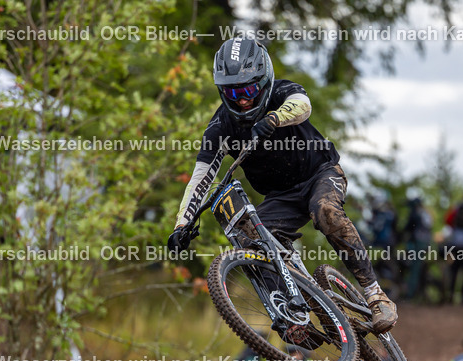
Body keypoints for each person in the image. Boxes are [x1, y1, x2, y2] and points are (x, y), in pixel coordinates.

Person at [168, 38, 397, 332]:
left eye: (248, 90)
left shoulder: (282, 93)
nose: (242, 100)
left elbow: (303, 105)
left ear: (263, 81)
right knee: (249, 238)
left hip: (321, 174)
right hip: (281, 196)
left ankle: (375, 294)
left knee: (324, 210)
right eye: (232, 92)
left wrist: (275, 118)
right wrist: (182, 224)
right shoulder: (221, 127)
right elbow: (201, 177)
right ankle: (293, 308)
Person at [402, 195, 434, 300]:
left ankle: (410, 294)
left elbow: (407, 228)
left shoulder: (415, 213)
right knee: (419, 267)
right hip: (427, 243)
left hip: (418, 243)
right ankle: (420, 292)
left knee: (414, 269)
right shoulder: (425, 213)